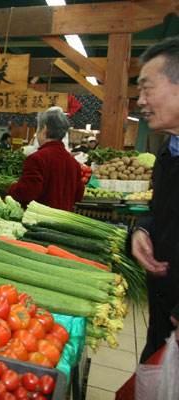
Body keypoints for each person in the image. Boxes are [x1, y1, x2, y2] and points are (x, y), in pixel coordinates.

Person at [130, 36, 179, 363]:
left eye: (148, 88)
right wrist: (143, 230)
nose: (140, 101)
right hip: (165, 317)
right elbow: (161, 213)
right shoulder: (168, 151)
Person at [8, 107, 84, 211]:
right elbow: (78, 195)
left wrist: (11, 188)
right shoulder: (74, 163)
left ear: (44, 129)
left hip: (38, 221)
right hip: (63, 222)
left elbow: (27, 192)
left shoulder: (36, 159)